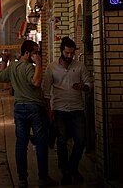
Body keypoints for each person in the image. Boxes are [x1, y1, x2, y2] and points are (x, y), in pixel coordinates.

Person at [0, 39, 58, 188]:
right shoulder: (29, 67)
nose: (36, 55)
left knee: (21, 144)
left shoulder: (13, 67)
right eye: (35, 53)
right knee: (41, 143)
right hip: (34, 108)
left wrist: (5, 61)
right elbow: (36, 82)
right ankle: (43, 178)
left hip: (19, 109)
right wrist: (39, 64)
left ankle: (22, 179)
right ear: (27, 53)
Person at [43, 36, 92, 185]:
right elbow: (46, 91)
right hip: (60, 109)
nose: (70, 56)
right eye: (67, 53)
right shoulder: (51, 68)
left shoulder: (80, 66)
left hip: (77, 108)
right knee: (62, 141)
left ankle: (72, 167)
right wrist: (49, 110)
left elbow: (89, 83)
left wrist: (83, 87)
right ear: (61, 51)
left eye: (72, 53)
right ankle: (65, 171)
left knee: (80, 140)